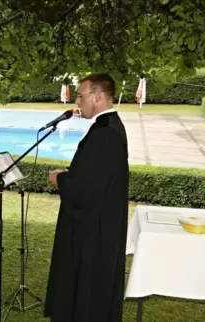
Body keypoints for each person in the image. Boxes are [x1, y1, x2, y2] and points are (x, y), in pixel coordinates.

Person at [44, 73, 129, 322]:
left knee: (86, 291)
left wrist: (59, 179)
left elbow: (87, 190)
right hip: (100, 224)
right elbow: (98, 175)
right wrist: (72, 173)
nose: (78, 101)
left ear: (98, 96)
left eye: (82, 95)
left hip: (94, 231)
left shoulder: (105, 133)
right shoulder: (108, 127)